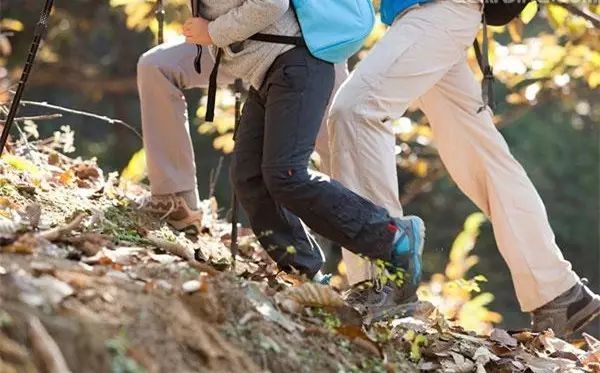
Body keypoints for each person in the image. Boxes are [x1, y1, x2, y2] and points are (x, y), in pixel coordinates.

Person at [327, 0, 600, 336]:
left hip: (439, 10)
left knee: (355, 111)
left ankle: (384, 276)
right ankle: (558, 292)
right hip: (430, 14)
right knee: (480, 155)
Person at [177, 0, 426, 301]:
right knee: (250, 177)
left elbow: (271, 2)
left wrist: (214, 32)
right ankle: (307, 276)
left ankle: (393, 237)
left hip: (297, 62)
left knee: (286, 174)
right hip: (269, 73)